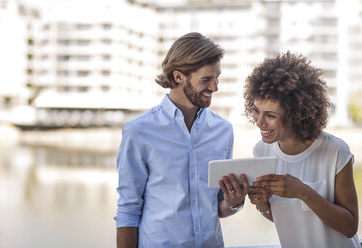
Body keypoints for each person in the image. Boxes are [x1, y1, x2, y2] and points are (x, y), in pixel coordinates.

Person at [114, 32, 249, 248]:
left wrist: (233, 203)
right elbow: (129, 209)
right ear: (178, 77)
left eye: (217, 78)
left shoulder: (223, 131)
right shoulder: (139, 131)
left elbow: (215, 207)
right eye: (206, 79)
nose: (215, 87)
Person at [244, 51, 360, 247]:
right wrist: (261, 203)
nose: (259, 122)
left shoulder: (335, 151)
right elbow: (284, 218)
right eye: (256, 111)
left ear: (295, 114)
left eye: (270, 115)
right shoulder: (261, 151)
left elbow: (350, 227)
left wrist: (303, 192)